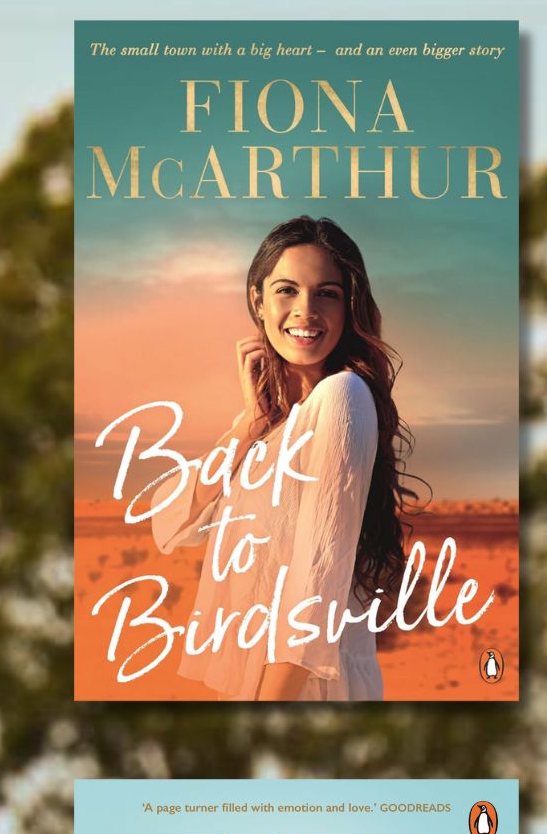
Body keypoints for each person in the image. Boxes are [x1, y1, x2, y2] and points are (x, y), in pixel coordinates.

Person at [151, 216, 421, 701]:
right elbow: (169, 523)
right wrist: (250, 424)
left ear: (349, 307)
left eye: (327, 294)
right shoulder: (268, 430)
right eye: (287, 290)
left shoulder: (343, 397)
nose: (306, 311)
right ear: (258, 300)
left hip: (308, 688)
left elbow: (313, 594)